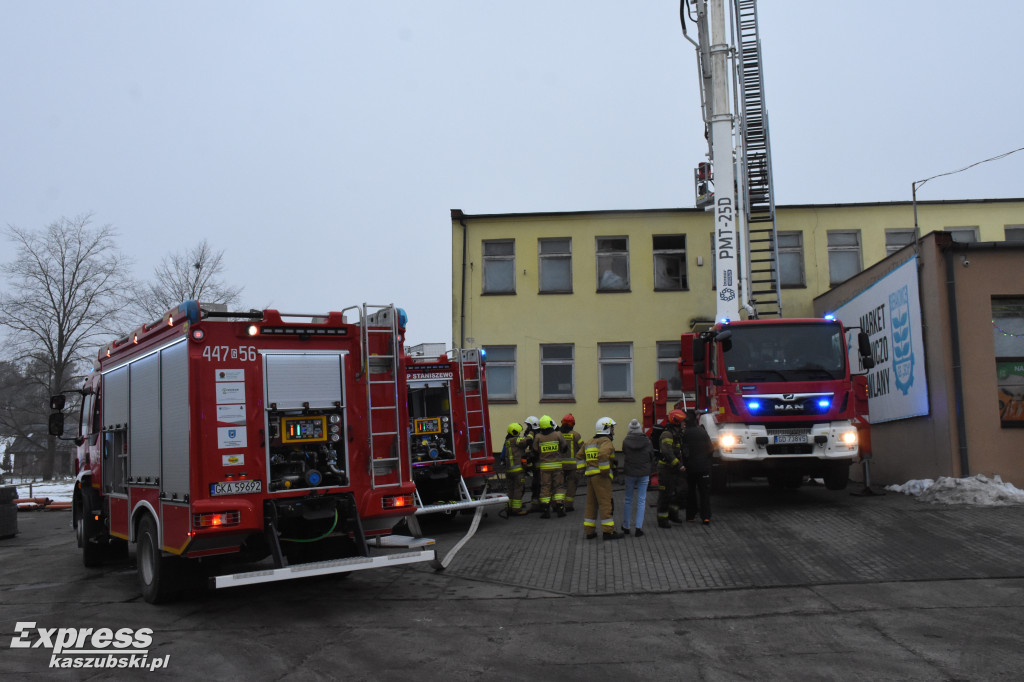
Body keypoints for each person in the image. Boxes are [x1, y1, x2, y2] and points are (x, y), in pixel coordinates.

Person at [582, 417, 622, 540]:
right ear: (606, 429)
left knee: (591, 504)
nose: (613, 431)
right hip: (601, 478)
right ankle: (608, 532)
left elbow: (579, 456)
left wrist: (585, 469)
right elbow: (603, 454)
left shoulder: (589, 442)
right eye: (612, 428)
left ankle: (589, 531)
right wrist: (605, 471)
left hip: (591, 477)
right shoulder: (606, 442)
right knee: (606, 504)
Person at [620, 419, 655, 537]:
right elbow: (651, 455)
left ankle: (626, 526)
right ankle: (638, 528)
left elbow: (625, 453)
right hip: (644, 473)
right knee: (641, 500)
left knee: (628, 499)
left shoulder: (625, 441)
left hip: (630, 473)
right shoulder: (647, 441)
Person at [531, 415, 568, 518]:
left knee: (545, 487)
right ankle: (560, 507)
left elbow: (534, 451)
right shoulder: (558, 434)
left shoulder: (538, 437)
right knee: (559, 486)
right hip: (557, 467)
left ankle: (546, 510)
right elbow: (565, 448)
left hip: (545, 468)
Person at [682, 410, 714, 525]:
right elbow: (711, 448)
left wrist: (685, 463)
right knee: (704, 493)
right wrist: (707, 460)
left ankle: (690, 516)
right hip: (704, 468)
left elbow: (683, 451)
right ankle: (706, 517)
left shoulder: (684, 434)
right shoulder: (702, 432)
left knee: (691, 492)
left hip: (690, 469)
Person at [656, 410, 687, 529]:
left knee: (682, 491)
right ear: (677, 422)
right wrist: (679, 465)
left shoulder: (678, 433)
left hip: (675, 468)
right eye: (683, 421)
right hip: (665, 469)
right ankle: (662, 519)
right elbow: (667, 452)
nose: (685, 423)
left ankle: (673, 513)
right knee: (665, 495)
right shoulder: (667, 434)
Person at [501, 423, 531, 516]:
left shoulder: (507, 442)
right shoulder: (516, 440)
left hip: (509, 471)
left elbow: (502, 456)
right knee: (518, 489)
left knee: (510, 490)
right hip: (518, 471)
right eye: (519, 432)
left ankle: (508, 507)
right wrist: (531, 434)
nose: (519, 434)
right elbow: (526, 441)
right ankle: (517, 509)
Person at [559, 414, 584, 512]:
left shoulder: (558, 434)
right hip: (573, 465)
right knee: (572, 485)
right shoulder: (576, 435)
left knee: (558, 485)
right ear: (572, 424)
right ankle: (568, 505)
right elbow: (582, 447)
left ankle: (557, 504)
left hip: (560, 465)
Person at [522, 416, 544, 513]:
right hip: (535, 463)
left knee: (538, 484)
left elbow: (535, 450)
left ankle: (539, 505)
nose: (527, 428)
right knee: (536, 484)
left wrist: (530, 456)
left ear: (532, 426)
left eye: (528, 426)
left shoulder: (538, 436)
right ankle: (537, 505)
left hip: (539, 463)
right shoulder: (534, 434)